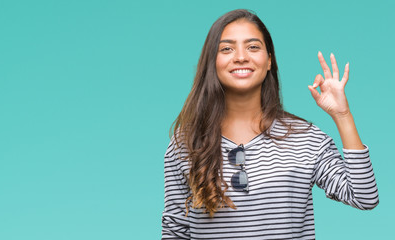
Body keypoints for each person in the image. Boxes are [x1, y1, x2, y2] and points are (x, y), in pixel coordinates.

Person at [161, 9, 379, 240]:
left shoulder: (306, 138)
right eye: (227, 48)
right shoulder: (186, 143)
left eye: (253, 47)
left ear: (269, 60)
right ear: (212, 62)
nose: (241, 56)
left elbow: (363, 197)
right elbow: (175, 230)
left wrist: (342, 115)